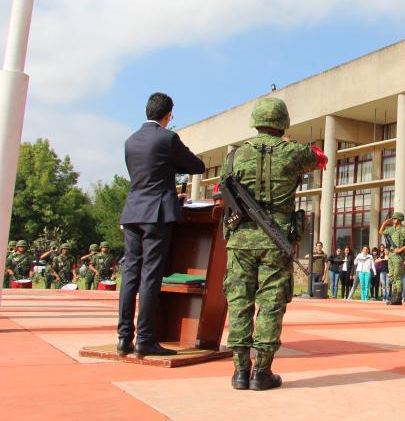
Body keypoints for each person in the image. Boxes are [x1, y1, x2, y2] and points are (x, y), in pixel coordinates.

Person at [220, 97, 322, 390]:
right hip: (275, 239)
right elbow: (318, 157)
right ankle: (261, 372)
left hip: (239, 240)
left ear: (256, 122)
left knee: (239, 302)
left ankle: (240, 371)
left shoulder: (234, 156)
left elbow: (225, 189)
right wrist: (289, 143)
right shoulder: (293, 152)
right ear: (283, 123)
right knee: (271, 304)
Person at [118, 92, 206, 358]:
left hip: (133, 211)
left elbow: (143, 175)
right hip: (156, 214)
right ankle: (145, 339)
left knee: (130, 275)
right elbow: (197, 166)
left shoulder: (130, 140)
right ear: (168, 115)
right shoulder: (167, 138)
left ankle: (124, 338)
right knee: (151, 276)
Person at [379, 212, 405, 305]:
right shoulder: (391, 229)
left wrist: (401, 249)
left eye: (394, 218)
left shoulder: (403, 229)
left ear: (398, 219)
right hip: (391, 255)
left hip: (398, 256)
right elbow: (381, 232)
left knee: (397, 276)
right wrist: (384, 223)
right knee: (392, 276)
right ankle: (394, 296)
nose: (392, 220)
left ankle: (398, 297)